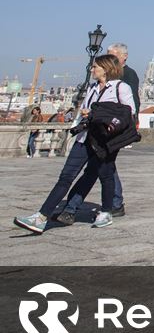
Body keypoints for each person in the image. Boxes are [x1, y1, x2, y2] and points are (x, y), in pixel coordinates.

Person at [14, 54, 135, 234]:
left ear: (106, 68)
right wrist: (76, 127)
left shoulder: (121, 88)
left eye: (95, 67)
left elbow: (128, 113)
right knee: (66, 176)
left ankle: (107, 211)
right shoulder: (93, 88)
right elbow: (83, 112)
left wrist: (98, 115)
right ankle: (41, 217)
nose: (92, 69)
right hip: (85, 138)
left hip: (105, 140)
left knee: (105, 175)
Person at [60, 43, 137, 220]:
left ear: (121, 58)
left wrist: (127, 125)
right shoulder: (95, 85)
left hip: (110, 132)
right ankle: (78, 207)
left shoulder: (127, 76)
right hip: (93, 132)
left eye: (111, 55)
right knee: (101, 171)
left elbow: (130, 106)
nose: (106, 57)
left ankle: (75, 208)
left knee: (99, 171)